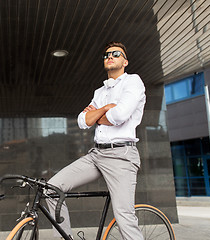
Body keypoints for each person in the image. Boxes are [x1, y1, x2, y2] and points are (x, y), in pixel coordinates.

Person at [46, 41, 146, 240]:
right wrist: (106, 108)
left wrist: (97, 116)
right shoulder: (100, 93)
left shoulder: (133, 81)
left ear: (125, 61)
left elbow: (120, 115)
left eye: (116, 54)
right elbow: (82, 121)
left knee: (124, 216)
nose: (110, 56)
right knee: (51, 189)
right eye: (107, 54)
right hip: (96, 154)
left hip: (121, 155)